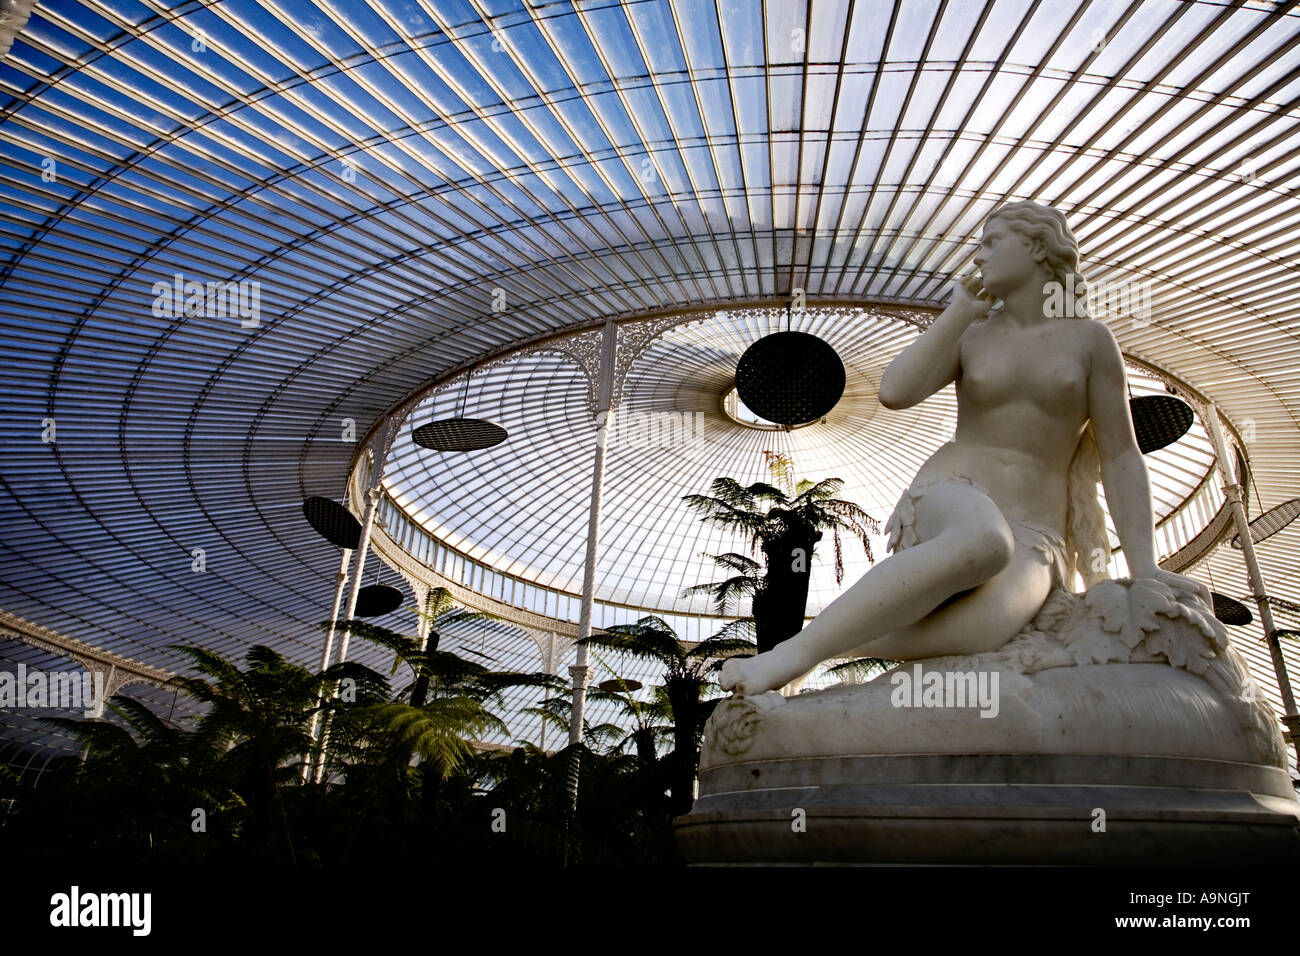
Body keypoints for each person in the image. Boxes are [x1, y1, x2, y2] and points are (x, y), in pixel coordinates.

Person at [720, 201, 1207, 696]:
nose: (979, 256)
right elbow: (896, 391)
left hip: (1038, 529)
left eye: (993, 242)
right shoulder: (972, 334)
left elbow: (1122, 455)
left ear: (1038, 247)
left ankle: (829, 645)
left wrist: (1144, 566)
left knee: (991, 625)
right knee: (985, 541)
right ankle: (793, 656)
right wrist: (957, 314)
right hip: (955, 491)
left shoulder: (1090, 341)